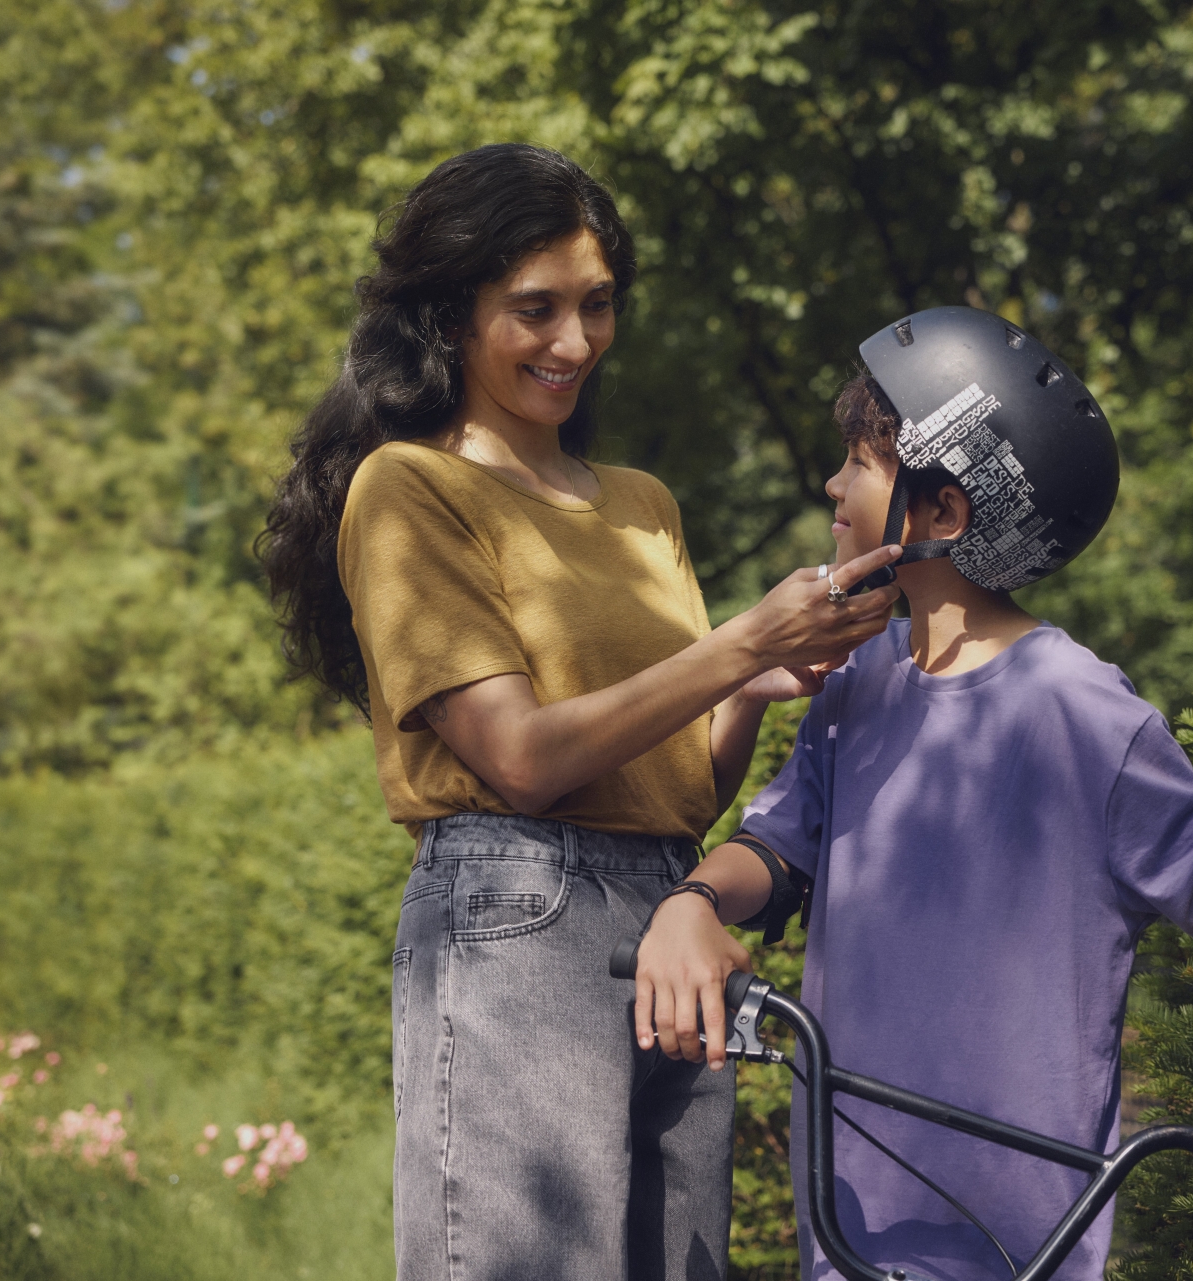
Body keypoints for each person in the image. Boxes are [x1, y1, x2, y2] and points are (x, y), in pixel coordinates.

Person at [259, 143, 903, 1281]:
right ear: (452, 314)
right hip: (520, 914)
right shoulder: (410, 488)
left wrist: (752, 684)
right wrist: (740, 642)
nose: (573, 342)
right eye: (535, 309)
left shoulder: (643, 506)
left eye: (596, 306)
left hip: (670, 916)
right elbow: (518, 759)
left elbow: (686, 789)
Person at [635, 307, 1193, 1281]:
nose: (831, 484)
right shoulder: (859, 683)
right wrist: (693, 902)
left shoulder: (1076, 708)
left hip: (1019, 1252)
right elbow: (781, 853)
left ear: (943, 513)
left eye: (859, 466)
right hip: (850, 1235)